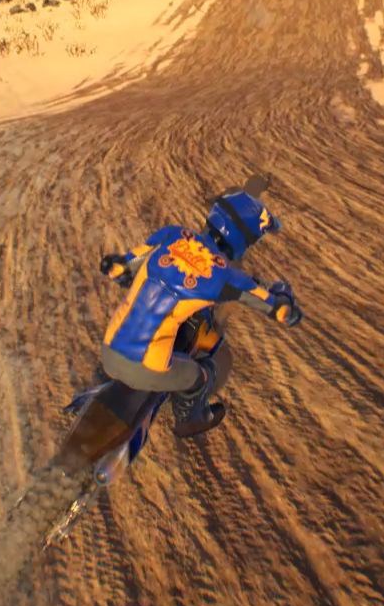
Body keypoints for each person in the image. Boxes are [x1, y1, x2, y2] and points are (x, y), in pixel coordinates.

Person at [98, 181, 303, 437]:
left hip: (108, 350)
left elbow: (120, 266)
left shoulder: (171, 234)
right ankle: (189, 420)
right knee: (205, 372)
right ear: (244, 239)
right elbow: (277, 310)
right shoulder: (225, 275)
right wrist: (284, 299)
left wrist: (120, 271)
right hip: (146, 368)